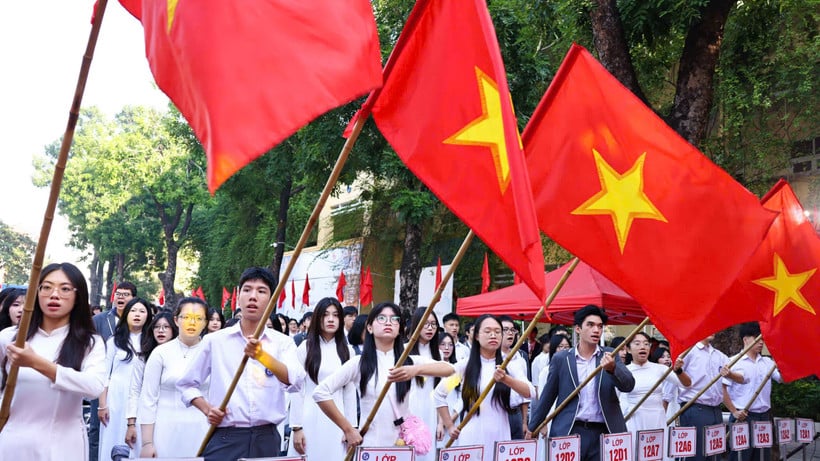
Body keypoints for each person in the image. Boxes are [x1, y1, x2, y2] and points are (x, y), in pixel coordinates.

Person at [177, 267, 305, 461]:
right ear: (238, 297)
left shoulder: (282, 342)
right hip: (226, 437)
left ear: (272, 300)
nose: (253, 296)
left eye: (261, 291)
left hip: (267, 438)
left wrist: (262, 356)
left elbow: (295, 382)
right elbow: (186, 384)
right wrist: (207, 408)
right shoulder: (216, 341)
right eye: (247, 289)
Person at [0, 262, 107, 460]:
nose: (54, 295)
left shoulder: (89, 343)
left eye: (65, 289)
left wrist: (36, 363)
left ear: (78, 297)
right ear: (36, 292)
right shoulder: (10, 338)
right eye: (47, 287)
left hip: (63, 445)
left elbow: (94, 388)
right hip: (12, 442)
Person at [314, 302, 455, 449]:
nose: (388, 322)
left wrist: (416, 370)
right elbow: (320, 392)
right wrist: (348, 429)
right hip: (371, 444)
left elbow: (450, 369)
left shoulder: (409, 361)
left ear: (400, 329)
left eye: (394, 319)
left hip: (402, 445)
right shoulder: (359, 363)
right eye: (381, 318)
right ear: (369, 327)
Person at [528, 305, 635, 461]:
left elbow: (628, 385)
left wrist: (613, 369)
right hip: (570, 429)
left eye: (600, 326)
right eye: (590, 325)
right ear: (578, 329)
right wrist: (533, 427)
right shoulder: (561, 359)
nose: (596, 330)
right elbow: (547, 397)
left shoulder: (610, 355)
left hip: (603, 431)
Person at [436, 314, 534, 455]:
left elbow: (530, 392)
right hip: (472, 435)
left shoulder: (509, 365)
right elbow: (439, 393)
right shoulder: (466, 367)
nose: (493, 335)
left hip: (500, 433)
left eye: (497, 331)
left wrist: (507, 379)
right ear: (476, 336)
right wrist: (450, 426)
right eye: (487, 331)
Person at [139, 298, 209, 458]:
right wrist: (147, 443)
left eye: (198, 318)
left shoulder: (212, 352)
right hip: (165, 430)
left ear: (205, 322)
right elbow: (148, 399)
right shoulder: (161, 353)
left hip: (202, 430)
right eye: (186, 317)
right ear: (176, 320)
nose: (192, 323)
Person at [287, 297, 355, 459]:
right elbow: (297, 389)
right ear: (318, 318)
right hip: (309, 418)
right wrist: (296, 427)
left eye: (335, 315)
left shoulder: (347, 351)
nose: (331, 319)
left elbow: (350, 392)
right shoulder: (306, 348)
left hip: (338, 422)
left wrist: (351, 427)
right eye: (325, 315)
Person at [98, 297, 152, 460]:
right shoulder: (114, 341)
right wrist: (102, 405)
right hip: (115, 398)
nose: (137, 314)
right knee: (113, 438)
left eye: (142, 311)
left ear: (148, 316)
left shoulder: (151, 342)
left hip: (141, 398)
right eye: (133, 310)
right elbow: (104, 374)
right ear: (126, 314)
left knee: (137, 440)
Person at [624, 332, 691, 458]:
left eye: (646, 344)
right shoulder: (624, 371)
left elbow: (687, 384)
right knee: (635, 454)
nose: (642, 347)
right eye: (637, 343)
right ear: (628, 349)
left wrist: (679, 370)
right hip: (634, 419)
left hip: (657, 418)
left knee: (657, 455)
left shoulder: (660, 369)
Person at [677, 334, 743, 461]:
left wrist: (730, 374)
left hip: (715, 410)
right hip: (695, 408)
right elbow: (676, 376)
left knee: (715, 453)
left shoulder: (719, 355)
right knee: (697, 454)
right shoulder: (689, 351)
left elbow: (743, 379)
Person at [90, 281, 136, 461]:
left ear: (133, 298)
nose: (121, 297)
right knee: (97, 428)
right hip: (101, 380)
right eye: (118, 294)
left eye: (126, 294)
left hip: (128, 386)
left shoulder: (139, 323)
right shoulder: (99, 320)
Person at [722, 322, 781, 461]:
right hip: (744, 416)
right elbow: (722, 389)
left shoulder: (767, 362)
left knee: (761, 456)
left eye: (762, 339)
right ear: (745, 339)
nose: (761, 343)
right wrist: (733, 411)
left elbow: (781, 379)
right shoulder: (733, 362)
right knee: (741, 456)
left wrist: (784, 364)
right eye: (757, 338)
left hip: (764, 417)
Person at [124, 310, 178, 452]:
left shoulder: (181, 357)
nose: (161, 331)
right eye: (157, 327)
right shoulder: (143, 358)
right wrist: (131, 424)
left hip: (172, 417)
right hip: (146, 417)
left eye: (166, 327)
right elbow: (134, 391)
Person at [406, 307, 442, 461]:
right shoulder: (404, 351)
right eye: (425, 324)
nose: (430, 328)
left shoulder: (437, 354)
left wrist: (441, 421)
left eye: (433, 324)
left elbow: (443, 389)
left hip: (431, 409)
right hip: (409, 409)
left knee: (428, 452)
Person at [499, 315, 531, 440]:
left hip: (516, 413)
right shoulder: (489, 358)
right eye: (505, 330)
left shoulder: (520, 359)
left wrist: (524, 421)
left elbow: (525, 394)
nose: (510, 333)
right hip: (498, 413)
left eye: (512, 330)